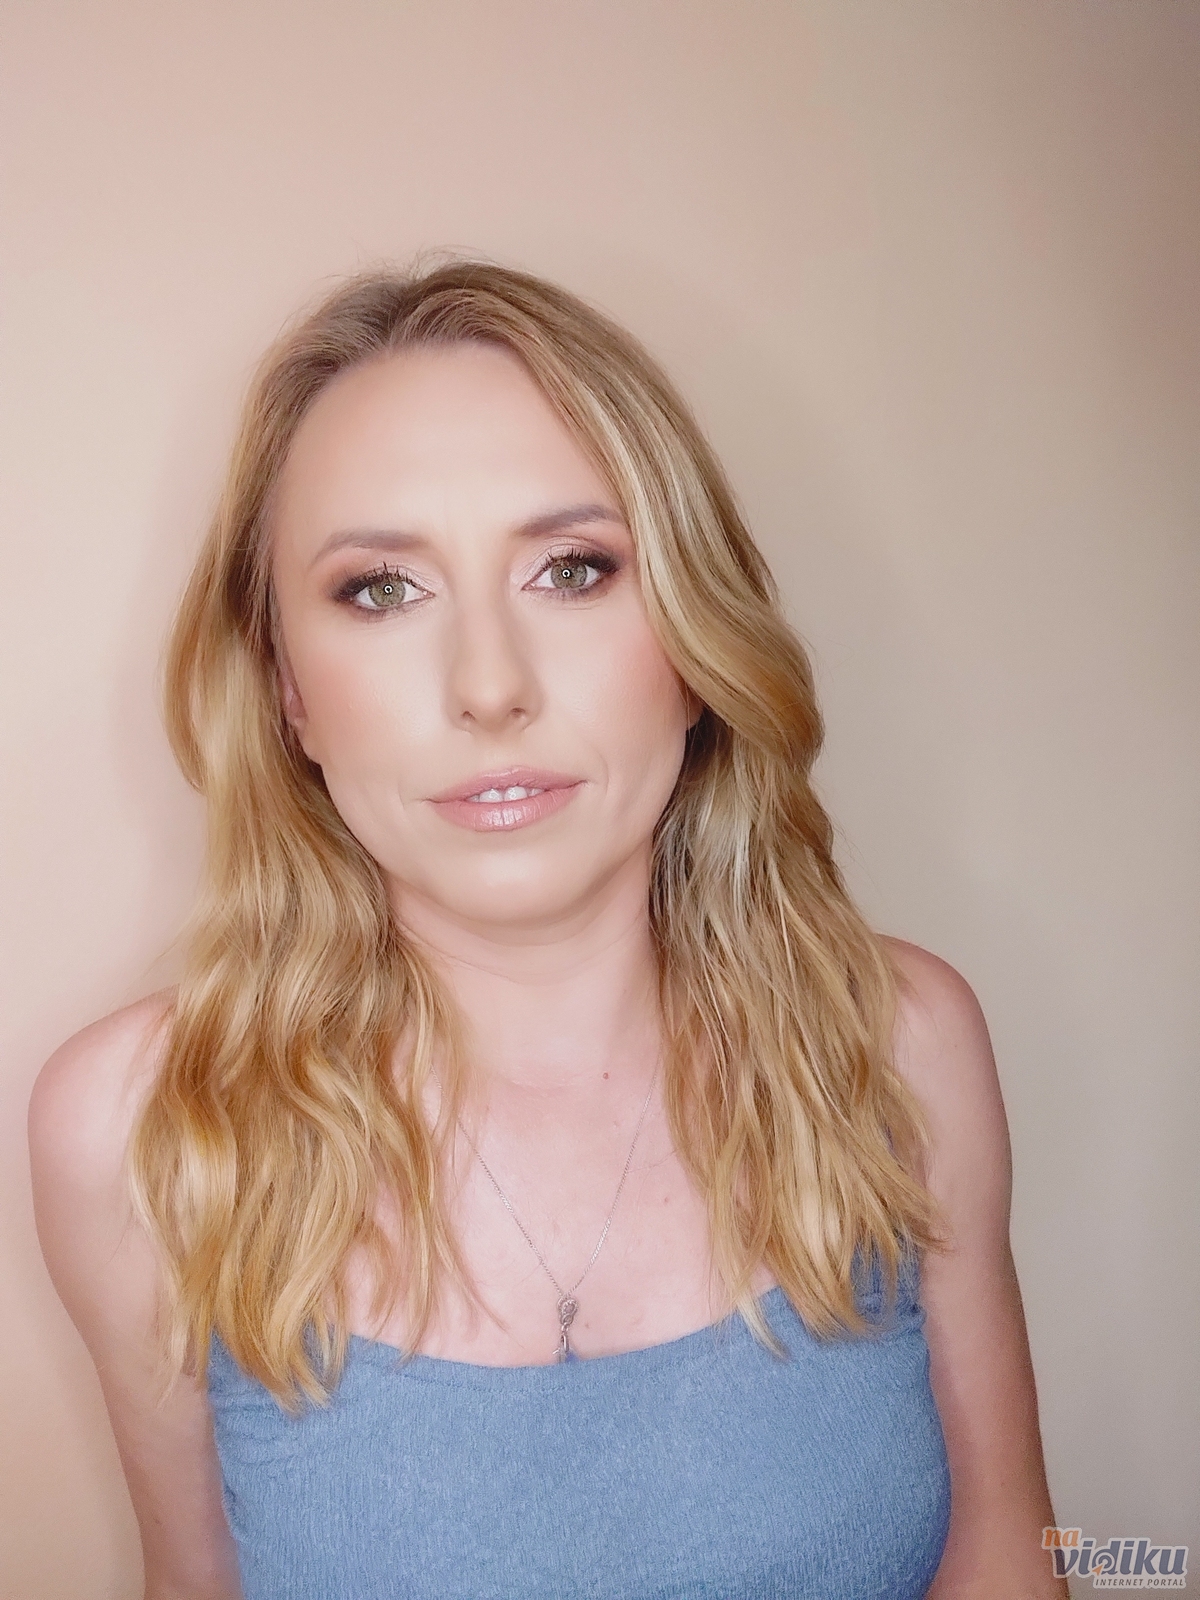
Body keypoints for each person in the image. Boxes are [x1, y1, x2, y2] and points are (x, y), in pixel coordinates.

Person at [28, 261, 1066, 1599]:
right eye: (379, 589)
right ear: (288, 688)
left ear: (693, 640)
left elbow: (1012, 1554)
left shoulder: (902, 1044)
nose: (489, 686)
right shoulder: (135, 1133)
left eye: (573, 570)